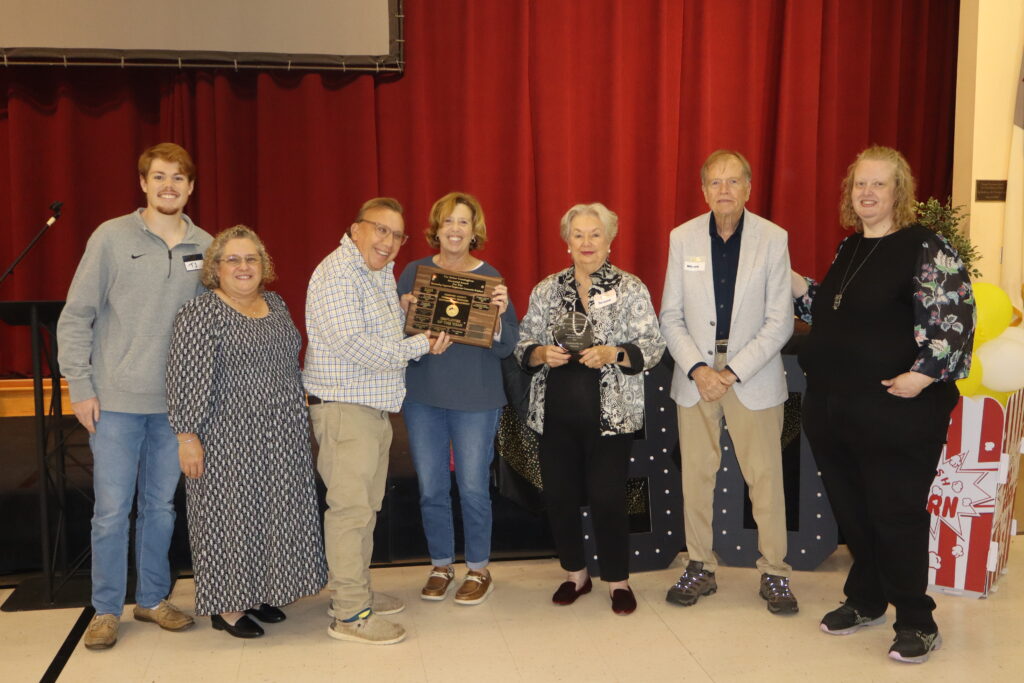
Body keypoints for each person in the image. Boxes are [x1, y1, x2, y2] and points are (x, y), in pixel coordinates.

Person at [792, 146, 974, 663]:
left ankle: (917, 619)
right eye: (859, 184)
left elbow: (955, 317)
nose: (867, 192)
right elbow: (830, 309)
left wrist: (923, 376)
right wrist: (794, 283)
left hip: (898, 411)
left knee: (895, 515)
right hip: (835, 410)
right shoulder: (849, 248)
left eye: (879, 183)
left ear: (899, 192)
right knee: (855, 513)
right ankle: (867, 598)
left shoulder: (924, 246)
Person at [56, 142, 209, 649]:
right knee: (111, 512)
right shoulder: (111, 237)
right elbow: (76, 316)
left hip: (175, 408)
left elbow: (212, 326)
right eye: (159, 176)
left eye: (178, 178)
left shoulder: (205, 246)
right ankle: (105, 610)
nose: (169, 186)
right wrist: (80, 386)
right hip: (115, 402)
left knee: (160, 508)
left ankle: (152, 599)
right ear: (143, 183)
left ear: (191, 187)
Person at [166, 226, 328, 639]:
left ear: (263, 265)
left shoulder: (276, 303)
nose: (243, 267)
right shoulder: (201, 313)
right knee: (230, 520)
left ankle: (260, 594)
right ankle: (229, 607)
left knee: (274, 515)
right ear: (216, 268)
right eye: (233, 259)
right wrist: (187, 436)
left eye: (251, 258)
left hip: (282, 435)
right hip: (226, 438)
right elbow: (185, 379)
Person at [304, 197, 452, 645]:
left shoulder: (376, 271)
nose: (388, 242)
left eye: (397, 235)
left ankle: (356, 593)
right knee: (350, 513)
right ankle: (350, 615)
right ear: (356, 229)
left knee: (364, 510)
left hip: (369, 408)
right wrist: (421, 344)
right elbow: (355, 344)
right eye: (380, 230)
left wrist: (405, 313)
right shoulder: (339, 273)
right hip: (345, 409)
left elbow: (377, 332)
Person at [660, 149, 797, 615]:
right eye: (715, 182)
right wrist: (700, 370)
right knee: (696, 477)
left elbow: (780, 321)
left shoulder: (773, 239)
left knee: (765, 478)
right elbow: (670, 316)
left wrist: (732, 372)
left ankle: (775, 570)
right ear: (703, 191)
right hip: (695, 375)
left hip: (751, 374)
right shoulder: (682, 238)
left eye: (733, 181)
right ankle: (699, 565)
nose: (724, 190)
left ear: (748, 188)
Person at [514, 202, 665, 615]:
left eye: (595, 234)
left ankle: (618, 580)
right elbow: (523, 343)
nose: (586, 242)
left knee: (607, 498)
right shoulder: (547, 289)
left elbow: (653, 346)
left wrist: (614, 353)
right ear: (567, 242)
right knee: (559, 497)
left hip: (611, 416)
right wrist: (540, 353)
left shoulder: (630, 288)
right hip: (554, 415)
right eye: (578, 234)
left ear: (610, 240)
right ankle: (575, 574)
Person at [397, 192, 519, 605]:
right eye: (448, 221)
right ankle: (441, 564)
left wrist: (497, 318)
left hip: (477, 399)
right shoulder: (413, 273)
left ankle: (479, 569)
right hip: (424, 396)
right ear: (436, 228)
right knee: (431, 487)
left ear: (474, 230)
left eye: (463, 222)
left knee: (472, 487)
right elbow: (393, 337)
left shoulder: (491, 277)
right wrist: (401, 312)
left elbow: (507, 345)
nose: (454, 229)